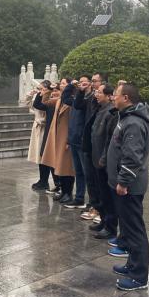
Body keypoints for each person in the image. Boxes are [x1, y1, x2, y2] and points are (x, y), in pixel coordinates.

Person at [107, 82, 149, 290]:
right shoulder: (126, 117)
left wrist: (123, 181)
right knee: (128, 227)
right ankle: (132, 265)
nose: (113, 97)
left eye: (116, 94)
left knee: (135, 230)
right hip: (124, 184)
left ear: (126, 98)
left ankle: (139, 276)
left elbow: (132, 157)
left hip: (130, 186)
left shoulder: (133, 122)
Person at [38, 79, 75, 202]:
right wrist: (48, 90)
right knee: (59, 166)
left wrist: (69, 139)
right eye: (61, 83)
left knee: (67, 167)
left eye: (64, 83)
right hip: (57, 136)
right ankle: (63, 191)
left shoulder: (72, 101)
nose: (62, 85)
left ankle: (68, 193)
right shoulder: (58, 100)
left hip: (66, 137)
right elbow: (44, 102)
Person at [90, 84, 118, 240]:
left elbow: (109, 140)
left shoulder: (111, 113)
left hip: (103, 161)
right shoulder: (100, 109)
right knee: (100, 194)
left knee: (107, 196)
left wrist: (104, 158)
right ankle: (103, 220)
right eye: (96, 92)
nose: (96, 94)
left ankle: (110, 227)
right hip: (96, 158)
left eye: (99, 92)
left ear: (109, 96)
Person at [78, 73, 105, 221]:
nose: (92, 84)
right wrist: (81, 91)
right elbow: (78, 105)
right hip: (88, 143)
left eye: (95, 81)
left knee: (98, 180)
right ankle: (94, 206)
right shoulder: (91, 99)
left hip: (98, 147)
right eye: (92, 81)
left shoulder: (107, 107)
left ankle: (101, 210)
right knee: (90, 178)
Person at [62, 76, 90, 209]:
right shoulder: (76, 99)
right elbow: (65, 98)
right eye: (80, 82)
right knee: (78, 171)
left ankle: (92, 202)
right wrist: (70, 86)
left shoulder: (89, 100)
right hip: (73, 139)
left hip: (82, 140)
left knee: (86, 172)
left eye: (85, 82)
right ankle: (79, 198)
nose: (82, 84)